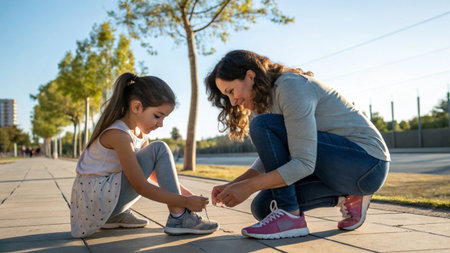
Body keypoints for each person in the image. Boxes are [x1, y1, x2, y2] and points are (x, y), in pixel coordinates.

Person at [205, 50, 390, 240]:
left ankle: (289, 217)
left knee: (262, 126)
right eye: (226, 96)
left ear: (250, 76)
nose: (233, 102)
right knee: (263, 207)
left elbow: (303, 163)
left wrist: (248, 187)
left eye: (230, 91)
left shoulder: (290, 86)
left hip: (368, 164)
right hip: (337, 172)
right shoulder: (260, 105)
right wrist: (234, 185)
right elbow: (272, 158)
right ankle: (349, 196)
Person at [70, 73, 218, 238]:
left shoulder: (138, 133)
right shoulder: (119, 135)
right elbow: (141, 186)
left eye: (164, 118)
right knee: (160, 147)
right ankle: (179, 218)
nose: (161, 124)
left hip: (99, 201)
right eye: (157, 116)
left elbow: (154, 175)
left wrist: (185, 195)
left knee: (157, 149)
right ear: (136, 107)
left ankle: (112, 217)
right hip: (96, 199)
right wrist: (183, 203)